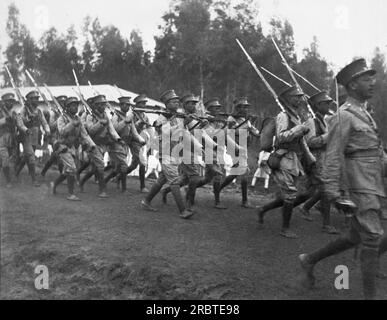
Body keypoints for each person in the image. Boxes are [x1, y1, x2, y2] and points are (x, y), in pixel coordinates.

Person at [299, 58, 387, 299]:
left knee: (355, 236)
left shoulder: (365, 114)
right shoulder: (343, 116)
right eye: (366, 79)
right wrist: (332, 191)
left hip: (373, 183)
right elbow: (333, 155)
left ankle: (309, 259)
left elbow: (375, 151)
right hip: (359, 185)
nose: (372, 82)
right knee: (372, 238)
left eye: (372, 77)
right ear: (352, 85)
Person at [256, 86, 312, 238]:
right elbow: (281, 137)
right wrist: (298, 129)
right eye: (296, 97)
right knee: (290, 195)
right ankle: (285, 228)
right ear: (288, 99)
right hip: (282, 158)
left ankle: (263, 209)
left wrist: (308, 156)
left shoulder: (296, 117)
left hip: (294, 159)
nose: (299, 99)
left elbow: (301, 141)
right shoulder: (283, 116)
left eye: (300, 97)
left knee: (291, 194)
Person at [141, 89, 194, 219]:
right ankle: (183, 211)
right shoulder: (161, 118)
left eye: (177, 101)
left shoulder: (177, 116)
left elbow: (182, 133)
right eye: (174, 101)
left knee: (162, 179)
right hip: (166, 152)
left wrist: (191, 124)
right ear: (167, 103)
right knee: (175, 180)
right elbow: (167, 133)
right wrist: (183, 124)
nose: (177, 103)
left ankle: (146, 201)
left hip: (174, 151)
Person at [299, 91, 339, 234]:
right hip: (315, 159)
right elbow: (309, 142)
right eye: (326, 103)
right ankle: (326, 224)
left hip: (325, 159)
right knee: (325, 189)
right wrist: (329, 136)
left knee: (318, 190)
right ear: (318, 105)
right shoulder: (311, 121)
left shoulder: (326, 121)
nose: (329, 105)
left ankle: (304, 207)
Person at [218, 97, 260, 208]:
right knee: (243, 171)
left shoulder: (245, 119)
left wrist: (261, 133)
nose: (246, 109)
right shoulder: (232, 118)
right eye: (244, 107)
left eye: (247, 107)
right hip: (235, 146)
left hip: (244, 146)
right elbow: (228, 132)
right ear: (238, 108)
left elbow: (254, 131)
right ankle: (245, 201)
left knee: (237, 172)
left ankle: (218, 189)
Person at [53, 97, 96, 200]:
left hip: (72, 147)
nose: (75, 107)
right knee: (72, 168)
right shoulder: (62, 118)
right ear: (67, 108)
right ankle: (71, 194)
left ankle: (54, 185)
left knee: (66, 171)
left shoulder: (78, 119)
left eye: (76, 105)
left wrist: (91, 144)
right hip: (62, 146)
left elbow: (84, 134)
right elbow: (62, 131)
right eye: (72, 106)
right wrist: (72, 124)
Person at [81, 94, 122, 197]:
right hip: (93, 144)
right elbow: (91, 130)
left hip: (103, 144)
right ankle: (102, 190)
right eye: (101, 104)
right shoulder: (90, 116)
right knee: (100, 165)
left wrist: (118, 139)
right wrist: (100, 123)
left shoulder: (106, 116)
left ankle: (82, 181)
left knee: (95, 168)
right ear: (96, 106)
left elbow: (111, 129)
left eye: (104, 104)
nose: (104, 106)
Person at [107, 96, 145, 191]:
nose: (127, 107)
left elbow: (134, 132)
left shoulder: (128, 117)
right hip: (117, 142)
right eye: (125, 105)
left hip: (125, 143)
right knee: (122, 165)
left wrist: (141, 140)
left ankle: (105, 180)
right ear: (121, 106)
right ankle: (123, 189)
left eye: (128, 105)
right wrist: (125, 121)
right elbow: (114, 130)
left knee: (119, 167)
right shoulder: (116, 116)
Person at [15, 90, 50, 186]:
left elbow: (44, 122)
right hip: (25, 136)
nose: (36, 101)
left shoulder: (39, 111)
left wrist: (47, 130)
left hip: (35, 136)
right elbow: (19, 123)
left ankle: (16, 173)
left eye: (37, 99)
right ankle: (34, 179)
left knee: (27, 157)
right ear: (29, 100)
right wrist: (26, 129)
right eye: (34, 99)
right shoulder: (23, 110)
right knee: (31, 156)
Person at [124, 94, 150, 193]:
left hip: (142, 142)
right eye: (143, 103)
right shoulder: (132, 115)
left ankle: (119, 176)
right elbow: (128, 128)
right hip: (133, 141)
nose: (145, 105)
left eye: (145, 103)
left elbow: (148, 128)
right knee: (142, 162)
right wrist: (138, 124)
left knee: (134, 165)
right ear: (138, 104)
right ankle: (142, 186)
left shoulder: (145, 116)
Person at [41, 95, 67, 177]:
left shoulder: (65, 112)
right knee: (59, 156)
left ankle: (44, 171)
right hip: (55, 137)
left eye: (64, 103)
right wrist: (59, 119)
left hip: (62, 137)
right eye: (61, 103)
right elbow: (51, 126)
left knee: (55, 156)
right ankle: (61, 174)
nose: (63, 104)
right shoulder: (53, 113)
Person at [0, 93, 22, 187]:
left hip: (12, 139)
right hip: (2, 138)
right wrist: (5, 120)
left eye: (12, 101)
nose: (11, 103)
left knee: (13, 158)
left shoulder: (13, 113)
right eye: (9, 101)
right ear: (4, 102)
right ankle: (8, 181)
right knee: (5, 160)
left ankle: (13, 176)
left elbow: (19, 124)